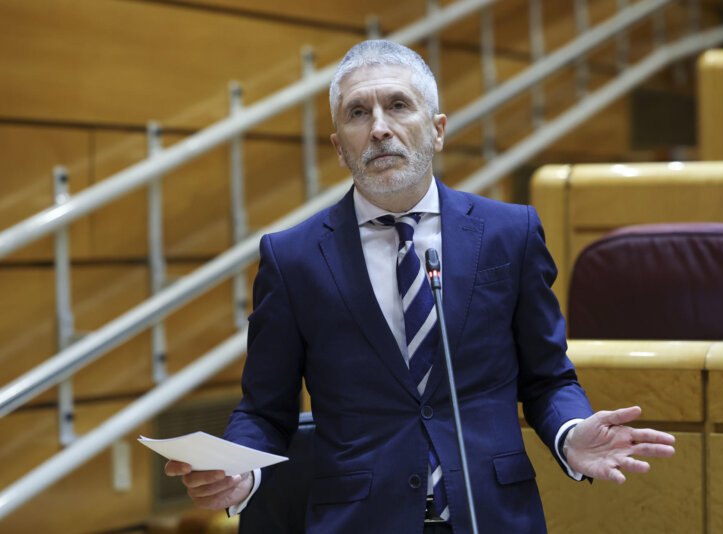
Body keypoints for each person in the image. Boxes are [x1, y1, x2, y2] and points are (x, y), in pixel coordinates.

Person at [166, 40, 675, 534]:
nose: (379, 128)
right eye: (357, 113)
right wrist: (240, 470)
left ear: (437, 130)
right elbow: (264, 409)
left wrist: (570, 433)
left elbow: (548, 378)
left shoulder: (509, 233)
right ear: (339, 148)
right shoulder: (293, 257)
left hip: (493, 516)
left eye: (398, 105)